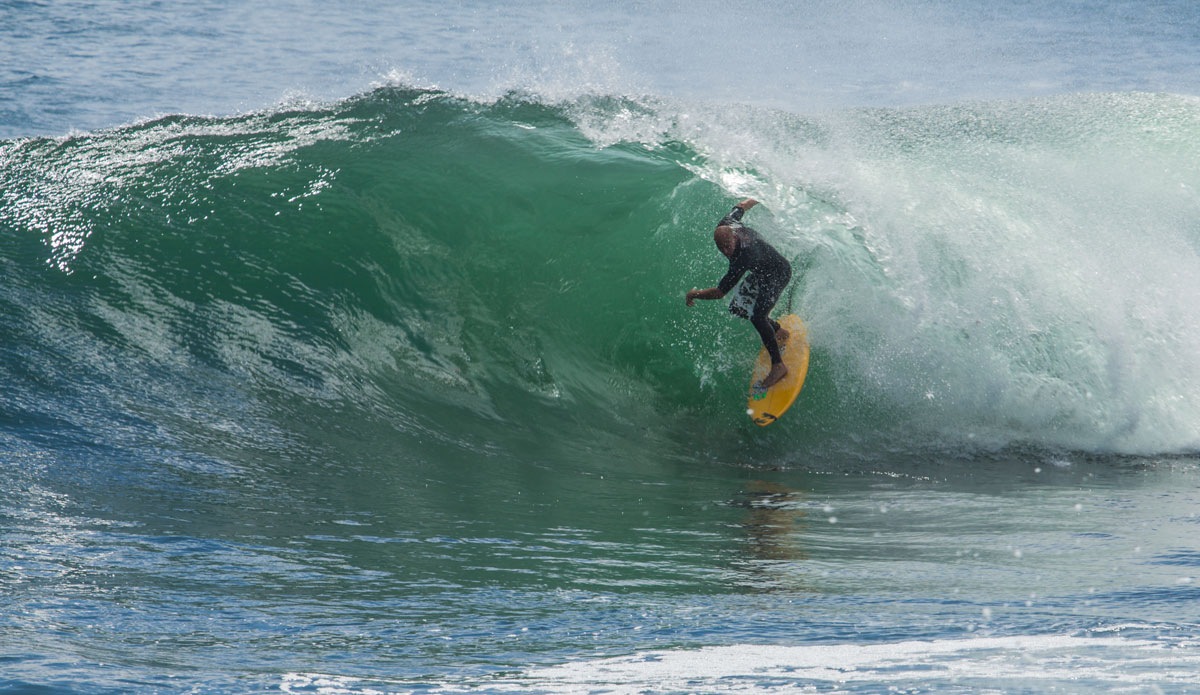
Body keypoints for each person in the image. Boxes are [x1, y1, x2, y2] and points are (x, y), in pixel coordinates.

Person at [686, 198, 793, 388]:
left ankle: (778, 366)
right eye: (722, 249)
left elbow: (720, 292)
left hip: (778, 273)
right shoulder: (728, 223)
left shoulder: (744, 255)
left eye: (728, 247)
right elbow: (741, 206)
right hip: (761, 272)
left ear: (734, 238)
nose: (726, 252)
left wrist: (695, 294)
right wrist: (759, 195)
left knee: (758, 317)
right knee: (737, 308)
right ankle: (779, 332)